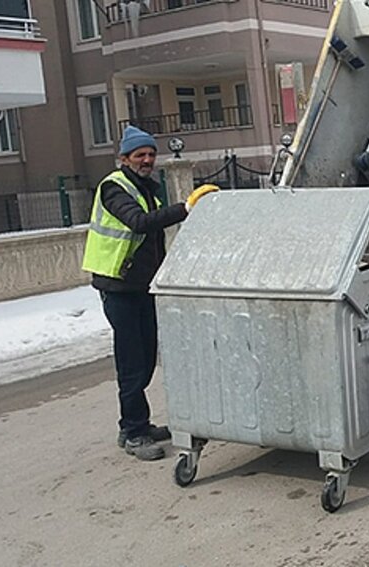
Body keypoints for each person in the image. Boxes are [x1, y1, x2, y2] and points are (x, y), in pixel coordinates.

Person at [81, 125, 219, 461]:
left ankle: (136, 422)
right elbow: (140, 223)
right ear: (124, 158)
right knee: (131, 361)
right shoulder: (114, 188)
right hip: (118, 286)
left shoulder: (147, 187)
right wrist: (185, 208)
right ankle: (133, 431)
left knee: (144, 358)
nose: (147, 159)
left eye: (150, 154)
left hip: (143, 286)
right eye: (140, 155)